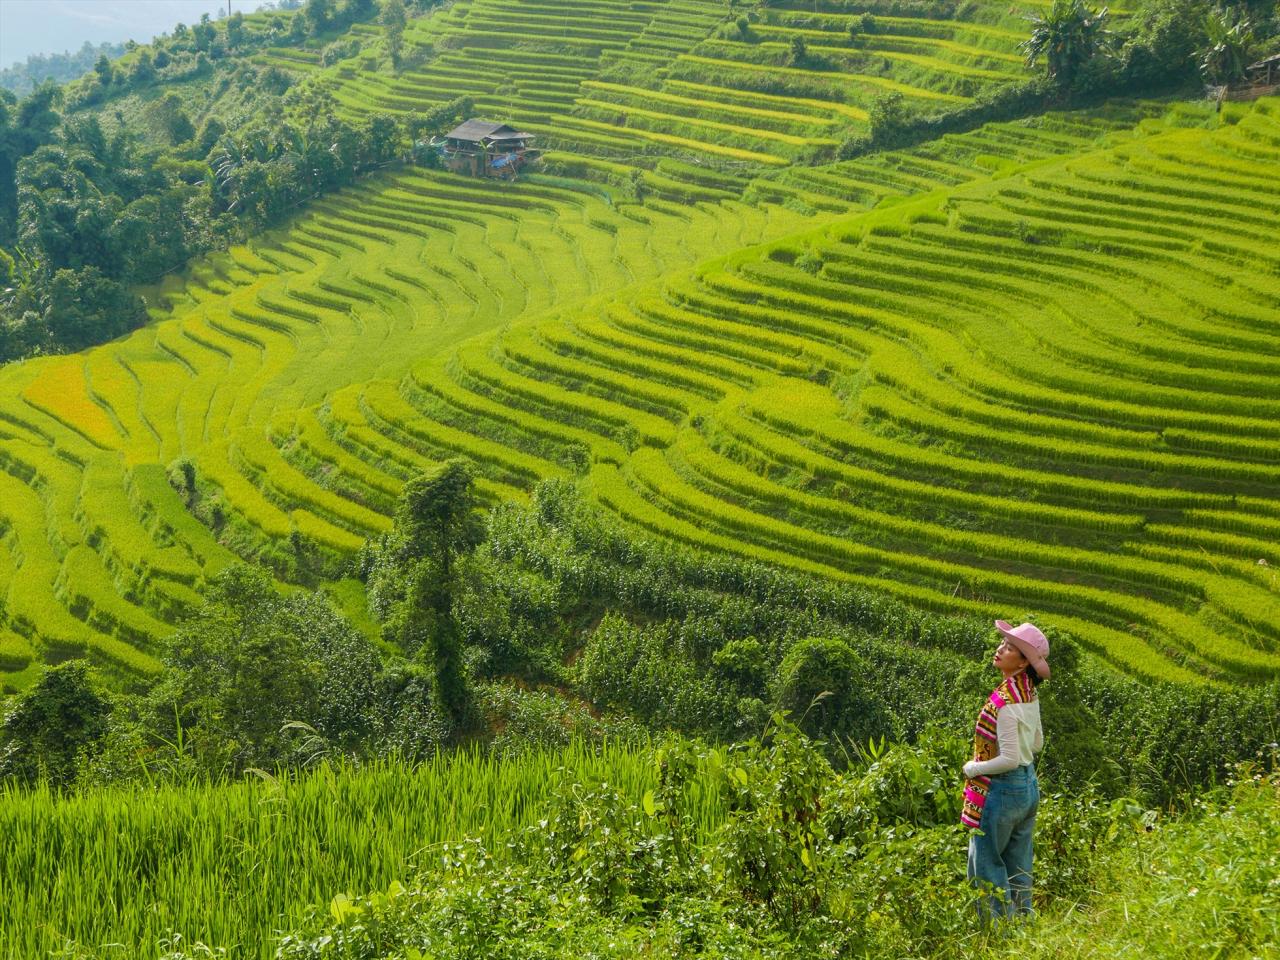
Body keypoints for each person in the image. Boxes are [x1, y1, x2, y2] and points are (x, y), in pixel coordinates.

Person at [960, 619, 1050, 923]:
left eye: (1009, 648)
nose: (1000, 649)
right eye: (1003, 644)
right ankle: (1024, 924)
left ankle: (995, 935)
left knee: (986, 865)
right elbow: (1036, 743)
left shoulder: (1007, 702)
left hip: (1002, 789)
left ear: (1023, 662)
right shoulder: (1029, 696)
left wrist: (974, 768)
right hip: (1028, 787)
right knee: (1019, 864)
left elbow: (1008, 759)